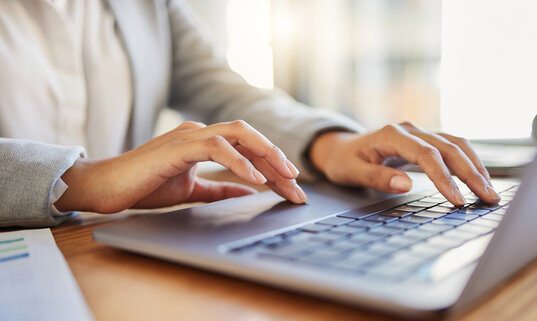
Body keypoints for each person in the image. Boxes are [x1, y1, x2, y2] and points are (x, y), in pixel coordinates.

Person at [0, 0, 499, 228]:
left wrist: (331, 145)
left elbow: (227, 94)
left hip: (98, 250)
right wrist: (84, 179)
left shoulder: (147, 6)